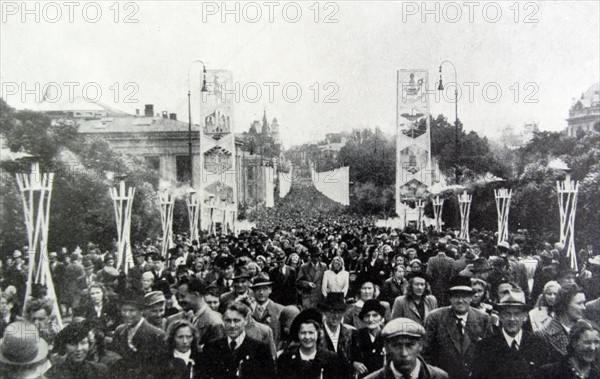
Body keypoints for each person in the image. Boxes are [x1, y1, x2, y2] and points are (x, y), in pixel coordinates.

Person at [471, 289, 553, 379]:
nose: (512, 319)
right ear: (500, 317)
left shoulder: (538, 343)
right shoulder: (485, 346)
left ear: (525, 316)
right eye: (507, 314)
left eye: (517, 314)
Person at [423, 276, 491, 379]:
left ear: (471, 297)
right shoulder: (435, 318)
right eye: (456, 296)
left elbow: (488, 354)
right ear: (450, 298)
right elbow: (425, 353)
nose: (460, 300)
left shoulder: (483, 319)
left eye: (464, 296)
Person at [200, 301, 276, 379]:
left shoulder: (260, 349)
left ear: (245, 321)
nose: (232, 325)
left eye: (236, 321)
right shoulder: (211, 347)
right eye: (228, 320)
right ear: (223, 320)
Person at [364, 317, 448, 379]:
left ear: (420, 345)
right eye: (397, 346)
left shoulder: (439, 377)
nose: (404, 353)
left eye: (410, 345)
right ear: (386, 347)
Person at [111, 290, 167, 378]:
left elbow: (159, 369)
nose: (127, 314)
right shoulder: (119, 331)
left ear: (141, 311)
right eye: (124, 310)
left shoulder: (157, 334)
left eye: (131, 310)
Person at [277, 308, 345, 379]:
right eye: (303, 333)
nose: (307, 337)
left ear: (318, 333)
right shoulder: (286, 359)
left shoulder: (331, 359)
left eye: (311, 333)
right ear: (298, 334)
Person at [537, 282, 588, 360]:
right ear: (564, 305)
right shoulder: (545, 335)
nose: (584, 307)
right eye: (579, 303)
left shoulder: (586, 327)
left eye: (584, 303)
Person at [536, 320, 600, 379]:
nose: (592, 348)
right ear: (574, 343)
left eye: (597, 342)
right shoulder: (550, 372)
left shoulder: (597, 374)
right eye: (587, 342)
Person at [317, 292, 354, 375]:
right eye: (332, 311)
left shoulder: (348, 333)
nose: (336, 316)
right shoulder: (318, 333)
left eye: (339, 312)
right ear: (324, 312)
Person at [351, 299, 386, 378]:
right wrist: (354, 363)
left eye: (375, 315)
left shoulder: (387, 335)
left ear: (382, 318)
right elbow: (350, 357)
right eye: (367, 316)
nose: (371, 319)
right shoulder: (357, 336)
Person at [251, 272, 284, 346]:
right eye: (258, 289)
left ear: (270, 290)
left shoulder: (280, 310)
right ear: (254, 291)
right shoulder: (249, 311)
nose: (261, 292)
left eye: (265, 288)